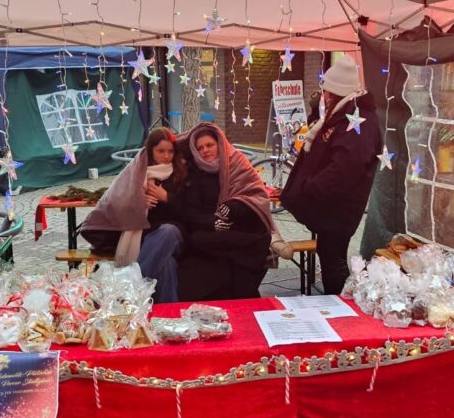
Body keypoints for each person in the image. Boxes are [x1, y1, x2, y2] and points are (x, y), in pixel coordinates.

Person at [280, 56, 382, 295]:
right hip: (334, 208)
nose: (323, 96)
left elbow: (347, 164)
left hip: (338, 208)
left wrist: (312, 187)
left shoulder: (357, 120)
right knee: (329, 256)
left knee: (333, 261)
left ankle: (339, 305)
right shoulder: (341, 115)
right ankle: (336, 302)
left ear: (336, 93)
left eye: (326, 92)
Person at [156, 123, 275, 301]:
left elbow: (253, 196)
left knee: (253, 245)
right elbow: (190, 212)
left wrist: (234, 206)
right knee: (199, 241)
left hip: (237, 226)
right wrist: (213, 222)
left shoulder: (237, 164)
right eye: (200, 148)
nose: (205, 150)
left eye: (209, 145)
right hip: (207, 232)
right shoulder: (194, 173)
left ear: (219, 144)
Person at [79, 128, 187, 302]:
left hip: (175, 236)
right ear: (150, 151)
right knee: (167, 265)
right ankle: (167, 316)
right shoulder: (137, 173)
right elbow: (115, 202)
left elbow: (188, 211)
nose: (166, 156)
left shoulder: (180, 173)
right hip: (147, 238)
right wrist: (137, 204)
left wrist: (166, 197)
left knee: (168, 231)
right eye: (161, 151)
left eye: (170, 151)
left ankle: (128, 290)